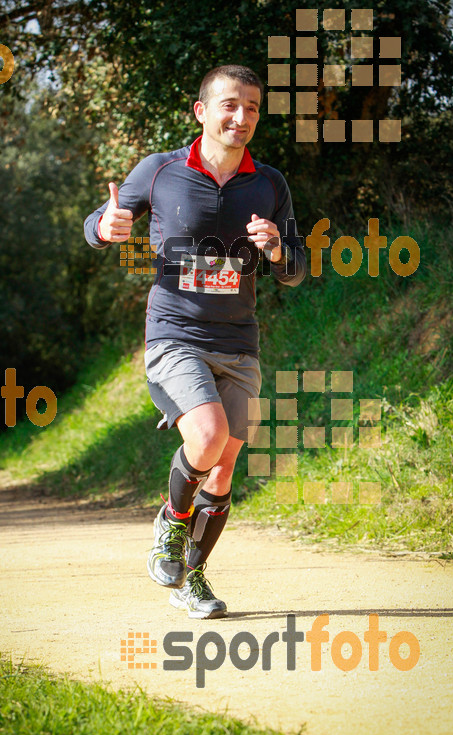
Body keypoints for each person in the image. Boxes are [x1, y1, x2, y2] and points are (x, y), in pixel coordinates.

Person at [84, 64, 306, 619]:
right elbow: (106, 218)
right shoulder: (160, 171)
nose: (242, 116)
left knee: (226, 465)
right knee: (207, 440)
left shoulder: (269, 183)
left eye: (252, 107)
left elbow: (297, 268)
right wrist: (103, 226)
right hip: (174, 336)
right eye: (230, 104)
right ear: (202, 112)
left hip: (239, 341)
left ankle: (191, 576)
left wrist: (278, 249)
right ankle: (170, 525)